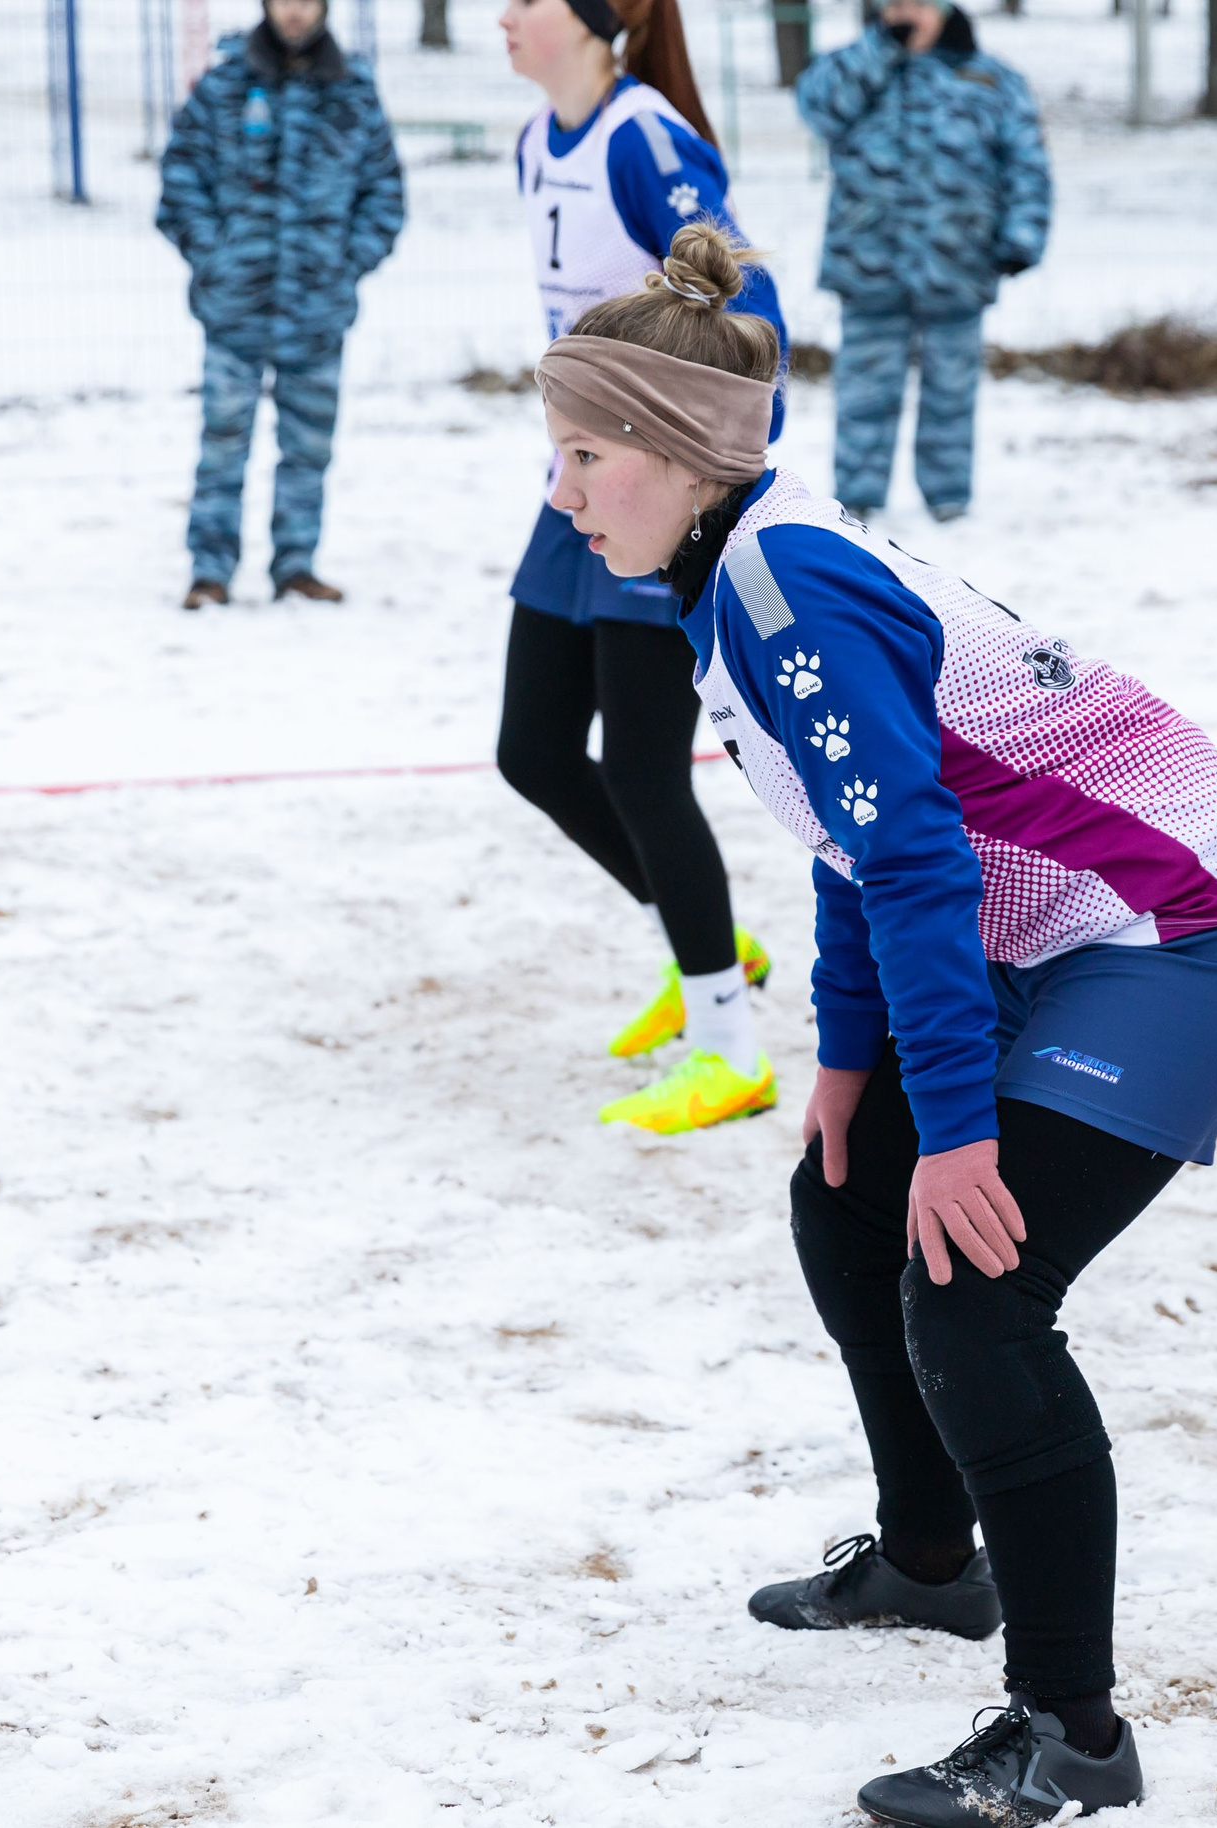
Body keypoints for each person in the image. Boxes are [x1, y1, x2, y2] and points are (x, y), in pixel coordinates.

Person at [534, 223, 1217, 1825]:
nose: (562, 491)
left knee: (974, 1288)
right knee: (841, 1196)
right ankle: (937, 1557)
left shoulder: (783, 591)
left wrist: (955, 1133)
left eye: (586, 452)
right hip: (1047, 919)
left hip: (1177, 931)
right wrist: (846, 1060)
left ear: (679, 457)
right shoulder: (730, 569)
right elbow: (854, 835)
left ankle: (1073, 1737)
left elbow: (911, 855)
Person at [496, 0, 792, 1135]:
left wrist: (712, 480)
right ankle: (702, 929)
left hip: (657, 496)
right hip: (574, 491)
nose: (502, 16)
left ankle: (728, 1046)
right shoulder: (537, 141)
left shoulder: (642, 138)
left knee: (643, 769)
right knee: (531, 750)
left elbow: (746, 303)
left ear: (590, 19)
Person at [156, 0, 405, 610]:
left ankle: (296, 565)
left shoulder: (352, 90)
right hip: (234, 307)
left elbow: (385, 195)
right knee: (222, 440)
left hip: (317, 310)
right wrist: (215, 256)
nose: (294, 12)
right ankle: (209, 571)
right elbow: (180, 183)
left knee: (309, 447)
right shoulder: (224, 87)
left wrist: (345, 264)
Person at [796, 0, 1050, 524]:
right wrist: (881, 51)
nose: (907, 13)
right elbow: (818, 108)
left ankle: (948, 496)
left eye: (919, 4)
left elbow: (1026, 161)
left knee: (951, 389)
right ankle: (859, 497)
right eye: (896, 4)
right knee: (865, 387)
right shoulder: (857, 67)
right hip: (869, 262)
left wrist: (1021, 237)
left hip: (958, 260)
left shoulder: (989, 78)